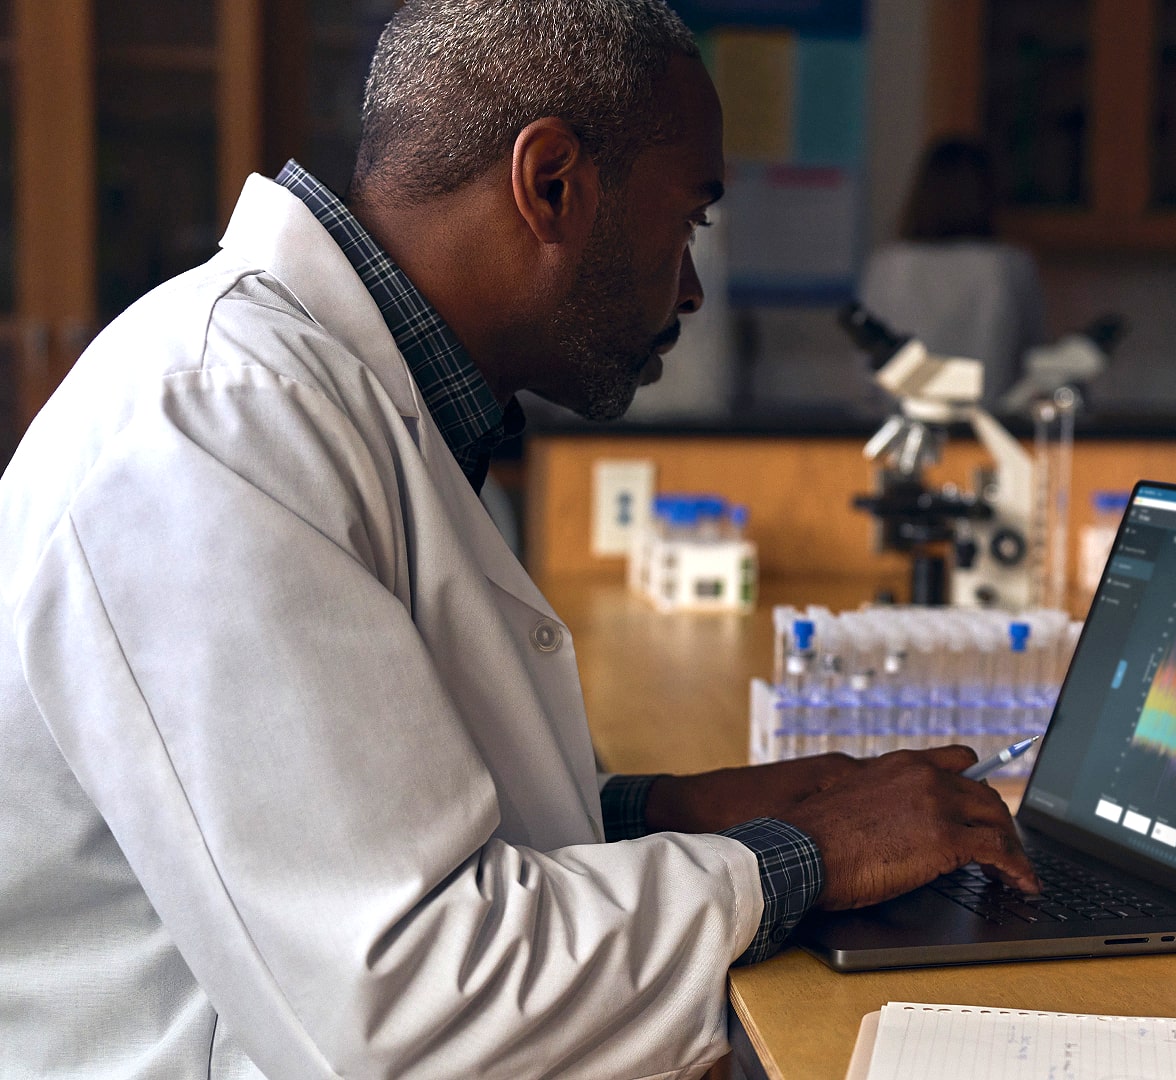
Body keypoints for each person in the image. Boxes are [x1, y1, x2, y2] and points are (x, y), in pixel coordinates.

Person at [0, 3, 1035, 1078]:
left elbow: (412, 827)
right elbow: (410, 1008)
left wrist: (663, 811)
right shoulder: (216, 427)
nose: (688, 284)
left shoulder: (363, 405)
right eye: (691, 221)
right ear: (551, 184)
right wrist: (806, 858)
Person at [857, 138, 1046, 401]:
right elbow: (1033, 358)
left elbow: (866, 366)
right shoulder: (1009, 265)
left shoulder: (888, 265)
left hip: (904, 423)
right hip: (986, 425)